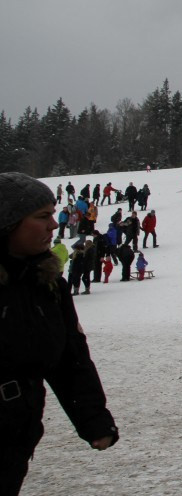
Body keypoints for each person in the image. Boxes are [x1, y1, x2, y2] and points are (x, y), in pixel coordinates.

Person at [0, 172, 119, 492]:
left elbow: (70, 357)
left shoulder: (49, 284)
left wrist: (93, 419)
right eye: (42, 216)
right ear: (7, 225)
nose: (55, 225)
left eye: (54, 214)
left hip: (17, 435)